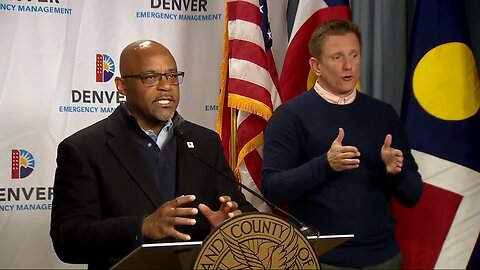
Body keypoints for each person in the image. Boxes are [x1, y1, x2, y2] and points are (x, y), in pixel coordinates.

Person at [50, 40, 257, 269]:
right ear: (122, 86)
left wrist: (230, 224)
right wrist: (142, 227)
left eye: (172, 76)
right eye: (150, 77)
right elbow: (67, 239)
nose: (166, 86)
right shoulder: (84, 149)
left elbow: (239, 208)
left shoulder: (204, 142)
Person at [262, 20, 423, 269]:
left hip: (383, 258)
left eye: (354, 55)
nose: (348, 66)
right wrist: (325, 164)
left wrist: (396, 172)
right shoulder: (290, 117)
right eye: (337, 57)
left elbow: (413, 195)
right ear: (316, 66)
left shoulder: (382, 114)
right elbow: (273, 189)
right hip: (320, 258)